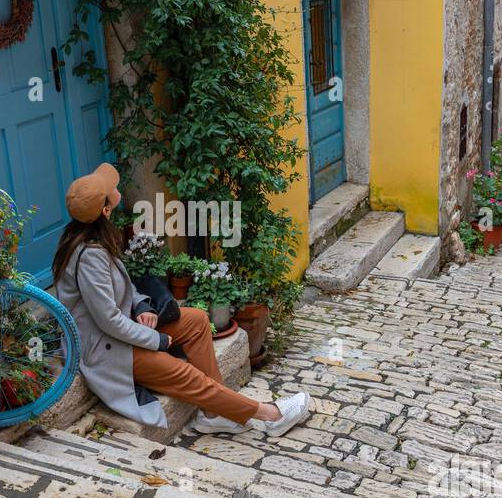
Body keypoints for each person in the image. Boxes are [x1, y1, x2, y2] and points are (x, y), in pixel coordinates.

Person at [52, 162, 310, 436]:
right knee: (186, 375)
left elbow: (122, 288)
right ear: (105, 210)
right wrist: (156, 340)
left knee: (197, 319)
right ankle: (271, 415)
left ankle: (212, 415)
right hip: (107, 350)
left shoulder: (93, 237)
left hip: (122, 332)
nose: (116, 190)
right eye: (110, 191)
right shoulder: (89, 254)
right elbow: (108, 320)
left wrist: (140, 305)